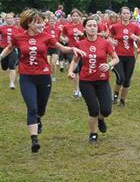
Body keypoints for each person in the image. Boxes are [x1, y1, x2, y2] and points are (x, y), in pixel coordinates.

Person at [0, 10, 85, 153]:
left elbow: (62, 48)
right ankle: (34, 140)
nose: (41, 24)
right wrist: (0, 57)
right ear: (28, 23)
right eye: (37, 22)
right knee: (32, 108)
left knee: (41, 109)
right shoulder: (18, 37)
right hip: (26, 77)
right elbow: (9, 48)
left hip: (44, 76)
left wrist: (73, 49)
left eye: (41, 22)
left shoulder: (46, 36)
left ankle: (39, 118)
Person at [69, 16, 119, 142]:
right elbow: (75, 61)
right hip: (86, 81)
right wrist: (70, 72)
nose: (92, 28)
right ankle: (93, 133)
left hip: (102, 81)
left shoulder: (105, 43)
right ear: (84, 28)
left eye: (95, 26)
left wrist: (108, 65)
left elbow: (116, 58)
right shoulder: (80, 44)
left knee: (106, 110)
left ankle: (101, 119)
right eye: (90, 26)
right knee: (94, 110)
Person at [109, 6, 140, 106]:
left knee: (127, 80)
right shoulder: (115, 27)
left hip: (130, 57)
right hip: (118, 56)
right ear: (120, 15)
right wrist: (112, 41)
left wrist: (136, 38)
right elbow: (109, 37)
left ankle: (122, 100)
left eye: (127, 13)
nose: (126, 15)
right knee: (120, 78)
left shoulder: (135, 27)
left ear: (130, 15)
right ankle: (115, 97)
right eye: (124, 13)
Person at [1, 12, 19, 89]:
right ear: (5, 19)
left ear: (13, 19)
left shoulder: (17, 29)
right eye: (7, 18)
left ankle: (12, 83)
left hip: (13, 49)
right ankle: (15, 62)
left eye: (11, 18)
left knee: (12, 65)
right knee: (4, 67)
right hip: (3, 49)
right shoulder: (2, 28)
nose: (9, 19)